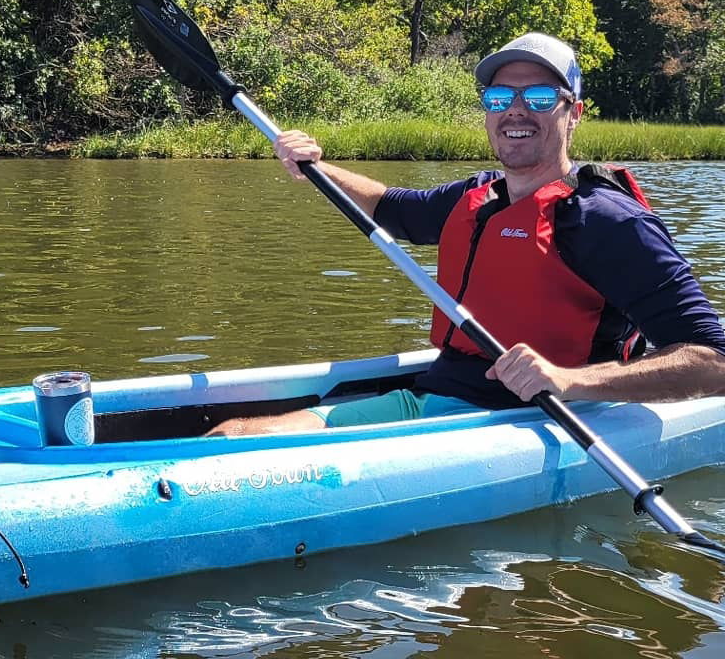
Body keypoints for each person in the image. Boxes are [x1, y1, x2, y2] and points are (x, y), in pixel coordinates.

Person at [211, 31, 725, 435]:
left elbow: (712, 359)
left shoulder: (608, 221)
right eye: (500, 97)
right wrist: (314, 167)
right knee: (230, 435)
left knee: (234, 441)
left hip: (537, 419)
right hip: (438, 394)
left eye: (541, 96)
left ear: (574, 113)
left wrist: (570, 381)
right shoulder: (476, 198)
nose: (516, 110)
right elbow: (390, 207)